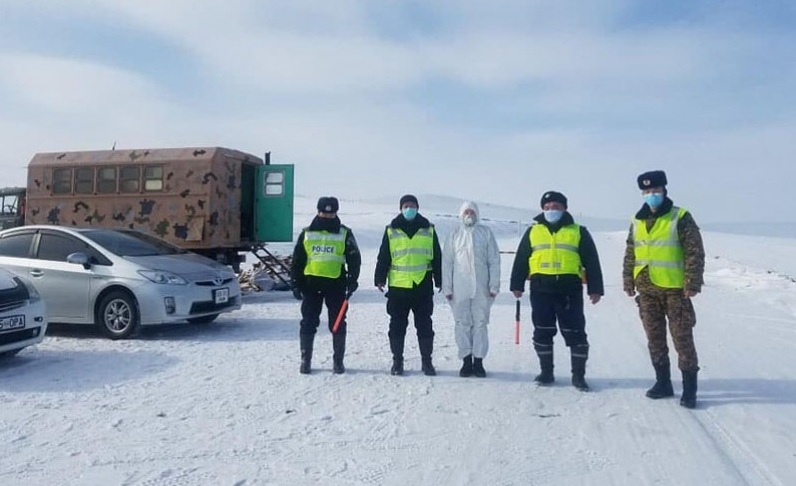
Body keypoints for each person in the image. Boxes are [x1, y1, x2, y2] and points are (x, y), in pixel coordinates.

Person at [623, 170, 705, 409]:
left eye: (655, 191)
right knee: (655, 338)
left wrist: (692, 282)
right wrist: (628, 279)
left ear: (664, 190)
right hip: (646, 289)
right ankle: (663, 383)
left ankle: (689, 390)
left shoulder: (680, 216)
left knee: (682, 338)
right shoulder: (637, 220)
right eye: (647, 192)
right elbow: (631, 251)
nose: (651, 195)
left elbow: (694, 251)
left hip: (675, 289)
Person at [510, 191, 604, 391]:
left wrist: (595, 289)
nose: (551, 211)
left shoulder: (578, 231)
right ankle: (546, 373)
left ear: (564, 209)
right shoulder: (533, 232)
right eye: (547, 207)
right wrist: (516, 284)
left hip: (569, 289)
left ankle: (578, 376)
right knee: (542, 331)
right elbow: (521, 259)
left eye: (555, 207)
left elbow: (592, 261)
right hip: (540, 288)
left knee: (575, 332)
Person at [291, 196, 361, 375]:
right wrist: (296, 283)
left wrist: (353, 280)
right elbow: (298, 260)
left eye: (331, 214)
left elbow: (354, 258)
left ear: (336, 213)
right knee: (308, 323)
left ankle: (338, 361)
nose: (327, 216)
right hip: (311, 286)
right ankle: (305, 360)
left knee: (337, 324)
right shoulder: (307, 233)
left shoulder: (344, 233)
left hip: (336, 285)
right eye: (324, 213)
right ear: (318, 212)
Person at [375, 194, 442, 376]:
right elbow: (384, 256)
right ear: (401, 208)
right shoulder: (391, 230)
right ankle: (397, 362)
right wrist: (379, 277)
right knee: (397, 326)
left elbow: (437, 256)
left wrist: (440, 278)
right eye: (406, 206)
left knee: (425, 325)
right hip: (398, 288)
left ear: (417, 208)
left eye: (412, 205)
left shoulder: (428, 229)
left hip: (422, 286)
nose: (409, 209)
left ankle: (427, 362)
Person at [442, 201, 501, 378]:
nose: (469, 215)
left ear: (477, 214)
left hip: (482, 289)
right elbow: (447, 263)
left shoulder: (486, 234)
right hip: (459, 289)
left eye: (472, 212)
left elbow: (494, 260)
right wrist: (447, 288)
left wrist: (494, 285)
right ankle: (466, 361)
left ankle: (479, 361)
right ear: (461, 214)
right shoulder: (454, 235)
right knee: (462, 324)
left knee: (480, 324)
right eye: (466, 212)